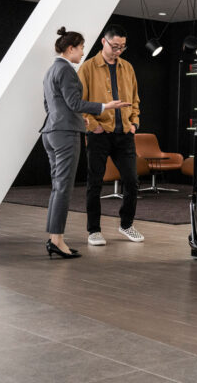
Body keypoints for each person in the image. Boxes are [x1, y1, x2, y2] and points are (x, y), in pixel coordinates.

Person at [41, 27, 129, 259]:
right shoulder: (68, 71)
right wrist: (104, 107)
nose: (82, 53)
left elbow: (48, 106)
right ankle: (58, 240)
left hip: (50, 132)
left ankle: (53, 238)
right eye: (80, 49)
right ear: (70, 48)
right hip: (66, 134)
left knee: (57, 188)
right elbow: (75, 103)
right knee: (63, 189)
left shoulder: (51, 71)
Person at [79, 24, 144, 245]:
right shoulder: (87, 68)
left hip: (124, 133)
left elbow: (135, 98)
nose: (118, 50)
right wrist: (93, 125)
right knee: (94, 183)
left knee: (132, 181)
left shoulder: (128, 67)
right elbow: (81, 102)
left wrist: (134, 122)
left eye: (122, 47)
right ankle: (94, 230)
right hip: (99, 134)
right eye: (115, 46)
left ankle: (126, 224)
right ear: (104, 42)